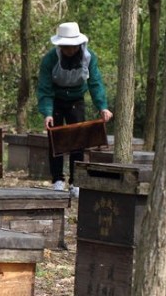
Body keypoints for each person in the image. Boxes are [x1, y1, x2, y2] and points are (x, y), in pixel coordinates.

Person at [37, 22, 112, 197]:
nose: (69, 50)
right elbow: (44, 88)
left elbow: (95, 83)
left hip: (76, 99)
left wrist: (103, 106)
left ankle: (75, 181)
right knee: (56, 139)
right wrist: (47, 112)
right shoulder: (50, 59)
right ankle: (57, 180)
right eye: (65, 47)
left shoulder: (89, 57)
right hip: (56, 99)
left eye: (72, 47)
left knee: (78, 140)